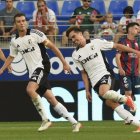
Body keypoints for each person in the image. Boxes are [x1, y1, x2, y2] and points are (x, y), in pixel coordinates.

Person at [0, 13, 81, 132]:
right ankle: (75, 123)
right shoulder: (14, 41)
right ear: (15, 24)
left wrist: (64, 62)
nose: (22, 23)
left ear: (26, 22)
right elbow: (11, 56)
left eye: (23, 20)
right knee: (51, 99)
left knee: (30, 89)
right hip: (33, 71)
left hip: (42, 66)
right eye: (19, 21)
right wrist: (3, 69)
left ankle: (45, 120)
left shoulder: (35, 34)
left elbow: (53, 47)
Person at [66, 26, 140, 133]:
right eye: (71, 39)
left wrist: (136, 52)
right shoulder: (75, 55)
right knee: (111, 103)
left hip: (105, 73)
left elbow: (117, 46)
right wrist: (87, 90)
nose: (73, 40)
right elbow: (84, 73)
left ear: (81, 34)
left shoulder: (95, 42)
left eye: (74, 36)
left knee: (103, 92)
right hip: (94, 81)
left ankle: (126, 99)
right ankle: (137, 124)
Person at [116, 22, 140, 116]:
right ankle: (127, 116)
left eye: (138, 28)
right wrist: (120, 69)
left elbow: (139, 56)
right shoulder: (122, 42)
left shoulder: (138, 42)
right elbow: (117, 56)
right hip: (125, 72)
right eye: (136, 28)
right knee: (128, 92)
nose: (138, 30)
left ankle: (132, 115)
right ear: (129, 29)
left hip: (135, 73)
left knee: (133, 94)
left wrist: (139, 69)